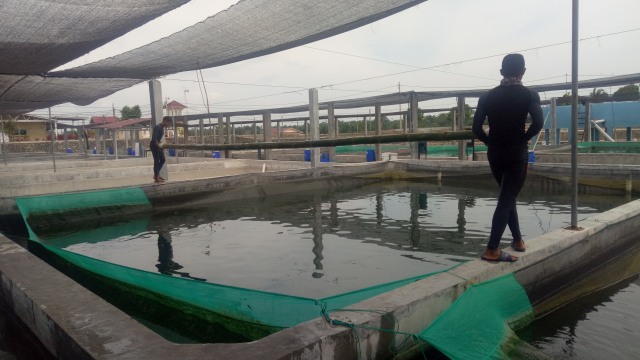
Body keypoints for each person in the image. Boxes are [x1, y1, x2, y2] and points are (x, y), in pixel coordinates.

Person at [472, 53, 544, 262]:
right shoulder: (530, 95)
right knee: (506, 198)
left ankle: (518, 240)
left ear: (502, 72)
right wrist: (523, 138)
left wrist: (489, 141)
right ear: (523, 72)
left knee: (507, 195)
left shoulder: (486, 97)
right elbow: (538, 123)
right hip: (516, 153)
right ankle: (492, 249)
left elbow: (477, 129)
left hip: (495, 153)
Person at [151, 116, 171, 183]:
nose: (167, 125)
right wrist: (158, 146)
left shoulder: (162, 128)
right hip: (154, 145)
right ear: (164, 121)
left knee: (162, 159)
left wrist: (161, 144)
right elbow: (154, 139)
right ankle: (156, 177)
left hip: (158, 145)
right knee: (156, 161)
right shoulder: (157, 127)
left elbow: (158, 139)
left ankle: (156, 174)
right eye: (168, 123)